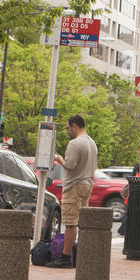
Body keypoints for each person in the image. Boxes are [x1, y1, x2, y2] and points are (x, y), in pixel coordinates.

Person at [49, 114, 97, 268]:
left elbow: (70, 165)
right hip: (87, 183)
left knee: (70, 223)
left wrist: (59, 158)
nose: (67, 130)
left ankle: (65, 256)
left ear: (74, 126)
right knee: (81, 221)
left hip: (74, 185)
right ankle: (79, 254)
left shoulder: (75, 143)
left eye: (67, 127)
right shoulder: (92, 143)